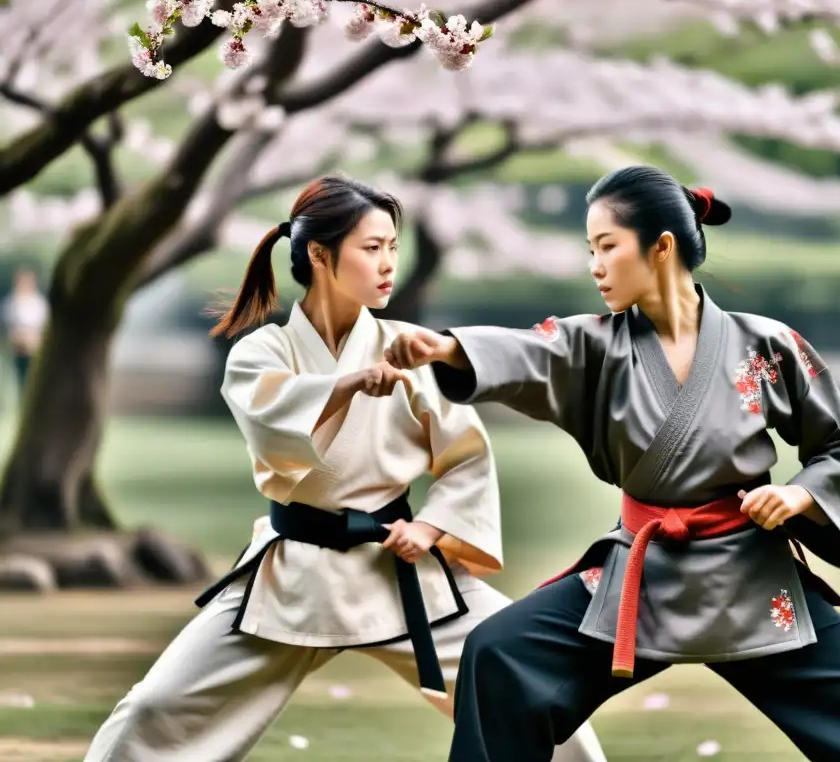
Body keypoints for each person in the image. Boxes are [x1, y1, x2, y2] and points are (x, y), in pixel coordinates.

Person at [385, 165, 840, 762]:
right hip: (642, 575)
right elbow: (533, 352)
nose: (595, 265)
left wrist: (799, 496)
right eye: (590, 250)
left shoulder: (766, 345)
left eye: (607, 247)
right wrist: (447, 347)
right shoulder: (595, 345)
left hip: (751, 579)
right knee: (499, 654)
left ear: (661, 247)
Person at [82, 176, 606, 762]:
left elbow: (465, 459)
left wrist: (429, 528)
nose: (388, 265)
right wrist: (351, 383)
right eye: (371, 247)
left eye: (392, 247)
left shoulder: (411, 347)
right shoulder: (263, 353)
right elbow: (276, 427)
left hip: (400, 569)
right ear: (319, 254)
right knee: (153, 709)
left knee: (530, 691)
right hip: (292, 571)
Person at [2, 267, 48, 400]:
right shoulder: (12, 303)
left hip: (35, 347)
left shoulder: (38, 303)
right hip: (19, 348)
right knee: (22, 380)